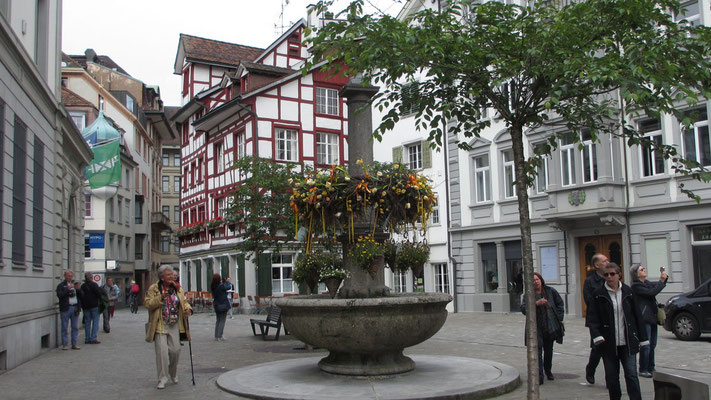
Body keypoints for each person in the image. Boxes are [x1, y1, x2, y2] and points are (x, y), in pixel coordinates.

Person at [587, 262, 648, 400]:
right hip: (608, 342)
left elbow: (637, 315)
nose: (609, 277)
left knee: (631, 375)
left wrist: (643, 338)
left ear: (619, 275)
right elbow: (592, 318)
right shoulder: (598, 294)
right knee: (612, 377)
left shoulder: (628, 292)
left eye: (612, 274)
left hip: (627, 342)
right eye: (606, 275)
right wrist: (597, 335)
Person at [145, 265, 192, 389]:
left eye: (172, 274)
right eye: (168, 275)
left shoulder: (177, 288)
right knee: (162, 353)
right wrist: (160, 297)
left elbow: (184, 301)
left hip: (175, 324)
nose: (172, 277)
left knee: (175, 351)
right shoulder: (154, 288)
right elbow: (148, 304)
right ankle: (162, 378)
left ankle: (173, 373)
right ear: (162, 277)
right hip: (160, 324)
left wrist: (188, 309)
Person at [520, 272, 565, 384]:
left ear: (541, 280)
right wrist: (536, 303)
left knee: (548, 351)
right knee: (538, 351)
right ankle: (539, 376)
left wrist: (558, 317)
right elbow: (523, 309)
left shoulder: (550, 291)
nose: (535, 282)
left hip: (549, 327)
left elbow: (560, 304)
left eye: (537, 279)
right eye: (533, 280)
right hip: (536, 327)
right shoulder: (528, 294)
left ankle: (548, 370)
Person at [630, 264, 668, 378]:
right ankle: (643, 368)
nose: (644, 270)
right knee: (646, 344)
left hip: (652, 317)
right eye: (641, 269)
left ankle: (651, 367)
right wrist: (661, 282)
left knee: (653, 344)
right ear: (636, 274)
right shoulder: (636, 286)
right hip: (644, 318)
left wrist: (663, 278)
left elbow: (656, 286)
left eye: (644, 268)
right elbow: (651, 292)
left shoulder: (646, 283)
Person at [583, 253, 609, 384]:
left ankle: (610, 379)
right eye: (604, 261)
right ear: (597, 265)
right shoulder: (590, 281)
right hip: (597, 321)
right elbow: (589, 300)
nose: (607, 262)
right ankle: (590, 369)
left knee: (610, 351)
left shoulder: (611, 278)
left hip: (611, 320)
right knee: (598, 348)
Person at [56, 270, 82, 350]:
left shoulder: (74, 285)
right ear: (65, 276)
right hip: (66, 308)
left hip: (74, 307)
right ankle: (65, 344)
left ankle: (74, 344)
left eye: (71, 276)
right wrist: (67, 289)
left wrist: (78, 289)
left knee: (75, 327)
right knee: (64, 327)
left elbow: (81, 296)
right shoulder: (61, 285)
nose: (70, 277)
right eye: (68, 276)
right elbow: (60, 295)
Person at [78, 272, 103, 344]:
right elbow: (99, 294)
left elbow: (81, 296)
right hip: (94, 306)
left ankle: (87, 338)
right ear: (91, 278)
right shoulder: (94, 285)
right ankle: (93, 338)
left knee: (87, 322)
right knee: (95, 321)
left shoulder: (83, 286)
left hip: (85, 306)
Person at [211, 274, 230, 341]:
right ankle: (220, 335)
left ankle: (216, 335)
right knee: (222, 320)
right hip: (223, 304)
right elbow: (228, 287)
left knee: (218, 320)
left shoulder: (213, 286)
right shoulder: (220, 286)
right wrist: (227, 281)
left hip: (216, 304)